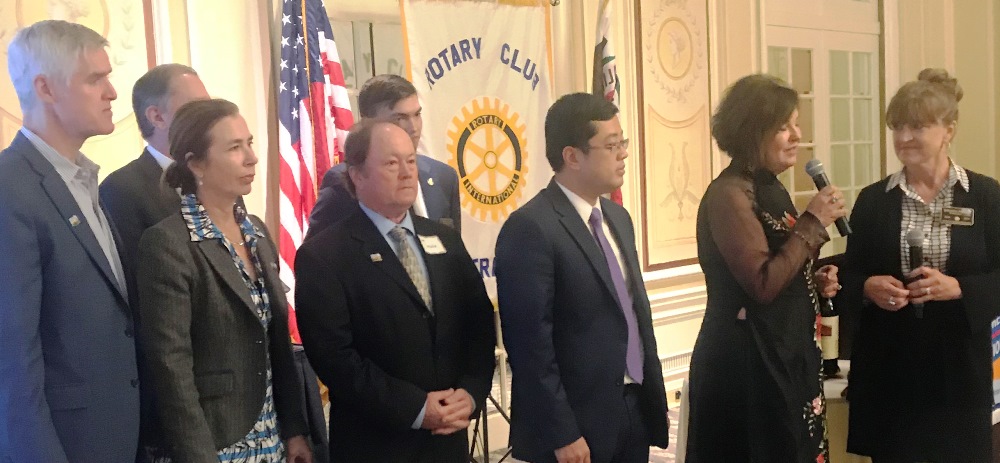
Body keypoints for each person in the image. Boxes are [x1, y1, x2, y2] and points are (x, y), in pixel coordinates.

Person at [295, 119, 495, 462]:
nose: (406, 173)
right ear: (357, 175)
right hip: (376, 444)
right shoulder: (325, 255)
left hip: (449, 439)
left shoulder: (445, 239)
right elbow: (335, 358)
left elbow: (478, 324)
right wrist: (415, 408)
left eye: (411, 161)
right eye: (391, 163)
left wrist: (472, 391)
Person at [495, 92, 669, 463]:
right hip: (575, 426)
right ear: (572, 156)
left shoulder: (617, 218)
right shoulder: (531, 228)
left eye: (622, 142)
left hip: (632, 408)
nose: (623, 154)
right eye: (611, 145)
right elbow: (530, 347)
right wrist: (561, 432)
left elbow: (633, 314)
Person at [136, 99, 311, 462]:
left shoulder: (256, 231)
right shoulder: (169, 244)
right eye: (234, 148)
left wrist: (294, 430)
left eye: (249, 143)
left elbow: (277, 342)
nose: (251, 158)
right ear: (196, 163)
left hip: (273, 435)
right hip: (217, 441)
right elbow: (171, 368)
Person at [840, 68, 1000, 462]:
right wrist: (867, 287)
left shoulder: (985, 196)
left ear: (949, 131)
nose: (904, 137)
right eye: (897, 127)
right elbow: (848, 274)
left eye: (917, 127)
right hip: (891, 375)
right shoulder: (874, 200)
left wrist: (960, 288)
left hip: (960, 374)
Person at [684, 74, 845, 462]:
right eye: (783, 127)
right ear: (752, 131)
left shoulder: (770, 187)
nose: (797, 136)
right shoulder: (729, 194)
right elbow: (761, 283)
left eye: (796, 124)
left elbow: (780, 263)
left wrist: (810, 280)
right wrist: (811, 223)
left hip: (784, 356)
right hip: (747, 367)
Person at [0, 20, 140, 463]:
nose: (112, 93)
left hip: (116, 438)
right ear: (45, 88)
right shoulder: (9, 189)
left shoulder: (83, 180)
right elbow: (12, 364)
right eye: (95, 79)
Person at [99, 63, 209, 461]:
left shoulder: (211, 179)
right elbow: (142, 299)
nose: (207, 116)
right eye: (195, 106)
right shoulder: (123, 190)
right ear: (157, 116)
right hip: (173, 391)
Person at [306, 74, 461, 239]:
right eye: (400, 118)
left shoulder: (443, 176)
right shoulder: (343, 181)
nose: (413, 127)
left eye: (417, 115)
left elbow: (453, 250)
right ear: (368, 122)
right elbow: (319, 250)